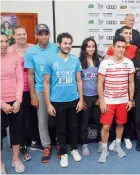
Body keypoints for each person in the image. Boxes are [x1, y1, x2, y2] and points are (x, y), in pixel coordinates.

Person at [44, 32, 83, 168]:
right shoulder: (50, 60)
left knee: (73, 127)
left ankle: (73, 150)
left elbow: (79, 81)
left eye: (69, 43)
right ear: (59, 44)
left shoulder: (75, 60)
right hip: (57, 101)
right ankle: (64, 153)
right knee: (60, 129)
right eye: (65, 43)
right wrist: (48, 104)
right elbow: (46, 84)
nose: (68, 46)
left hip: (73, 100)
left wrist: (80, 100)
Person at [97, 35, 135, 163]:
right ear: (113, 47)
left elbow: (131, 82)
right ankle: (104, 149)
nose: (121, 49)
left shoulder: (129, 63)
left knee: (120, 124)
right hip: (108, 101)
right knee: (106, 126)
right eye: (118, 47)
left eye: (123, 47)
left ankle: (118, 145)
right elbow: (100, 83)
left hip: (123, 101)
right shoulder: (105, 63)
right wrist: (102, 100)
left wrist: (131, 99)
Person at [24, 24, 58, 163]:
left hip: (56, 89)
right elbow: (30, 75)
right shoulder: (31, 52)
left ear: (49, 35)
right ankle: (46, 145)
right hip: (39, 90)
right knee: (42, 119)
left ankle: (60, 142)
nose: (44, 36)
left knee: (57, 117)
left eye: (46, 34)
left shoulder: (56, 47)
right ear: (36, 35)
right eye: (41, 34)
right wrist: (32, 96)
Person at [8, 26, 41, 161]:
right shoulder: (9, 50)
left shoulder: (33, 48)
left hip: (32, 88)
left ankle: (34, 141)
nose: (22, 36)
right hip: (16, 91)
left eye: (24, 34)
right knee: (19, 120)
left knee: (33, 117)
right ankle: (21, 146)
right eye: (18, 34)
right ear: (14, 36)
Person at [107, 26, 137, 150]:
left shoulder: (135, 48)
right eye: (125, 32)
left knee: (126, 117)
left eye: (130, 33)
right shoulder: (112, 47)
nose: (128, 34)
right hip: (114, 89)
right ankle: (115, 139)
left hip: (127, 86)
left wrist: (131, 97)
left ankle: (127, 138)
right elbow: (108, 61)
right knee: (114, 119)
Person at [1, 32, 25, 174]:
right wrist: (2, 104)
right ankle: (1, 163)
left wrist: (18, 101)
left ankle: (16, 159)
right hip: (0, 102)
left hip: (15, 101)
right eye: (0, 42)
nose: (3, 44)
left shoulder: (14, 57)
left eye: (5, 41)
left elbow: (20, 80)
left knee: (16, 131)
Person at [78, 37, 102, 156]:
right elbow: (77, 81)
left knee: (99, 122)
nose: (91, 48)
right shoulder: (79, 62)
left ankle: (100, 142)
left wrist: (101, 97)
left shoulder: (99, 61)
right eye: (88, 46)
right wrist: (80, 98)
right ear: (84, 48)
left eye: (93, 46)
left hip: (97, 96)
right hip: (85, 97)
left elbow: (103, 81)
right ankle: (84, 144)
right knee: (84, 123)